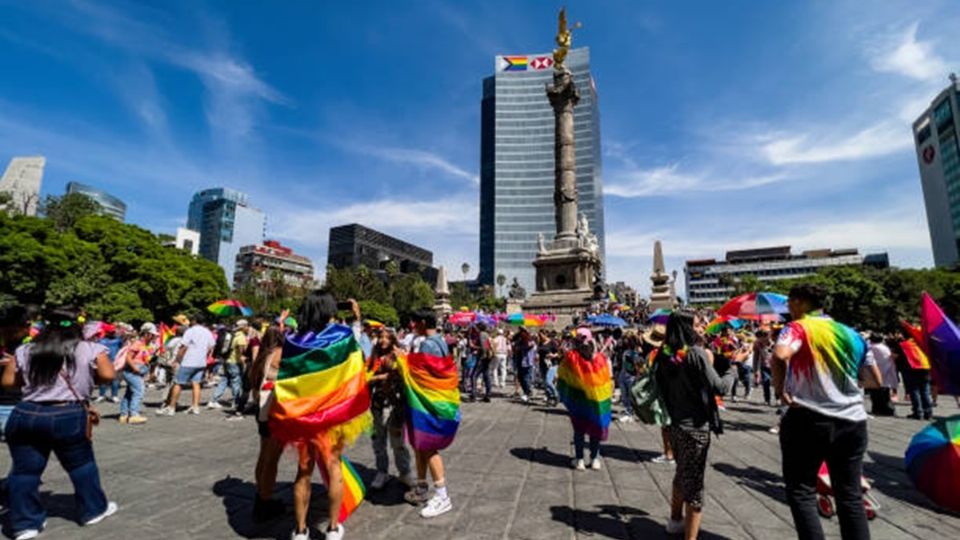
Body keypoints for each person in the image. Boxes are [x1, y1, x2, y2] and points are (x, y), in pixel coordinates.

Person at [772, 284, 880, 540]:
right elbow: (875, 379)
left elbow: (779, 355)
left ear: (799, 302)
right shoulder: (852, 334)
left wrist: (780, 390)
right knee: (850, 495)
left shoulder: (798, 327)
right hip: (853, 421)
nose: (788, 308)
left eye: (789, 303)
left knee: (802, 492)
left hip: (808, 417)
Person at [1, 308, 119, 539]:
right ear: (78, 325)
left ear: (46, 325)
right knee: (82, 466)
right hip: (68, 413)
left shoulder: (25, 349)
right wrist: (84, 377)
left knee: (24, 472)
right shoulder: (90, 348)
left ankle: (25, 524)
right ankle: (93, 510)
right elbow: (108, 375)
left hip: (26, 412)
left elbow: (7, 382)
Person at [270, 292, 370, 540]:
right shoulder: (341, 335)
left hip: (302, 416)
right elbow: (360, 357)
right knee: (333, 467)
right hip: (334, 416)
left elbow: (286, 376)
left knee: (303, 472)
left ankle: (301, 530)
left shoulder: (293, 339)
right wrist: (356, 318)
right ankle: (333, 528)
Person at [655, 312, 735, 540]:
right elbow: (720, 388)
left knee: (682, 474)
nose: (704, 326)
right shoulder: (696, 354)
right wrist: (731, 370)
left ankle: (675, 520)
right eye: (699, 323)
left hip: (674, 425)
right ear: (687, 328)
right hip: (695, 429)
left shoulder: (665, 353)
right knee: (695, 488)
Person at [402, 310, 459, 519]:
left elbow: (425, 375)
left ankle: (442, 496)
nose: (411, 324)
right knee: (420, 445)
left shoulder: (427, 344)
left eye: (414, 321)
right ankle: (421, 486)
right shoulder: (441, 341)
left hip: (428, 402)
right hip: (438, 400)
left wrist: (404, 361)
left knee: (428, 447)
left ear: (423, 322)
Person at [557, 327, 612, 471]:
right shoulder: (600, 359)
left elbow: (562, 376)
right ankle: (595, 459)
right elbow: (607, 381)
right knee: (595, 429)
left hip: (578, 400)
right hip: (596, 401)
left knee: (579, 430)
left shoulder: (571, 358)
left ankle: (579, 460)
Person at [366, 328, 413, 490]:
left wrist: (398, 364)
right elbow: (364, 378)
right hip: (377, 404)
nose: (383, 340)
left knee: (397, 441)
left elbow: (406, 374)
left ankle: (405, 472)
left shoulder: (399, 355)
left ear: (393, 339)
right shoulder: (372, 357)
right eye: (380, 337)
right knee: (378, 441)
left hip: (396, 405)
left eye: (387, 337)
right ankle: (382, 471)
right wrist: (379, 377)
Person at [249, 323, 286, 523]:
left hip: (261, 411)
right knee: (272, 459)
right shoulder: (279, 354)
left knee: (263, 456)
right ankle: (264, 502)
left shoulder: (262, 355)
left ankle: (260, 495)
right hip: (273, 411)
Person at [157, 314, 215, 416]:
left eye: (191, 320)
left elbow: (183, 347)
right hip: (201, 362)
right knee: (196, 383)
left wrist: (177, 360)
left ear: (195, 320)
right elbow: (211, 347)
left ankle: (171, 408)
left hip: (189, 361)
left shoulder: (190, 331)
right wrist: (204, 356)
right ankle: (195, 407)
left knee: (178, 383)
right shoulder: (208, 332)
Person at [208, 319, 249, 414]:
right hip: (234, 362)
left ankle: (213, 401)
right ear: (243, 327)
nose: (248, 328)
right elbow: (242, 352)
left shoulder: (233, 335)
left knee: (224, 380)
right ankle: (236, 402)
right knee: (236, 381)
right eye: (247, 326)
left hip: (227, 360)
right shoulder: (241, 337)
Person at [117, 325, 154, 425]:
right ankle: (134, 414)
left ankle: (124, 415)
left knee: (129, 392)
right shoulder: (138, 343)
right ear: (146, 334)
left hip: (136, 371)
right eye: (152, 335)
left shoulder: (148, 345)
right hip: (132, 371)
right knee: (139, 391)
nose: (154, 337)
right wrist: (135, 368)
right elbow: (129, 357)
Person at [865, 334, 896, 417]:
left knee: (875, 394)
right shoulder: (885, 347)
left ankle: (878, 409)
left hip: (875, 372)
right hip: (886, 371)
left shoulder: (871, 347)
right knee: (885, 394)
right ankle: (887, 409)